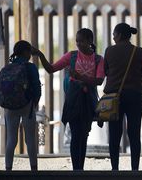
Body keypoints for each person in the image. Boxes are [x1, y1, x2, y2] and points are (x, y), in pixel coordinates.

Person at [32, 28, 105, 170]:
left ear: (90, 41)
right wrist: (40, 55)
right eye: (77, 41)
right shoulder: (71, 56)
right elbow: (51, 68)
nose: (78, 44)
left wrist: (79, 77)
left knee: (83, 134)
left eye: (81, 41)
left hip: (87, 100)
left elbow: (99, 81)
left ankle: (79, 169)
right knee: (76, 134)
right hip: (74, 100)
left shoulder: (98, 59)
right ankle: (76, 169)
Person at [103, 23, 142, 170]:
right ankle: (135, 168)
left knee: (114, 133)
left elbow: (106, 71)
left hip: (114, 97)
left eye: (114, 35)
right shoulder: (139, 51)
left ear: (120, 35)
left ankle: (115, 167)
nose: (113, 37)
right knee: (134, 132)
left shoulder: (109, 51)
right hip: (135, 95)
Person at [3, 40, 41, 171]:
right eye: (29, 51)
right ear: (26, 52)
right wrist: (35, 101)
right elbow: (36, 86)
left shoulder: (8, 67)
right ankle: (33, 169)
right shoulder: (30, 67)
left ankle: (8, 169)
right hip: (26, 105)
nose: (30, 53)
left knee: (11, 139)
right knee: (30, 139)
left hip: (9, 107)